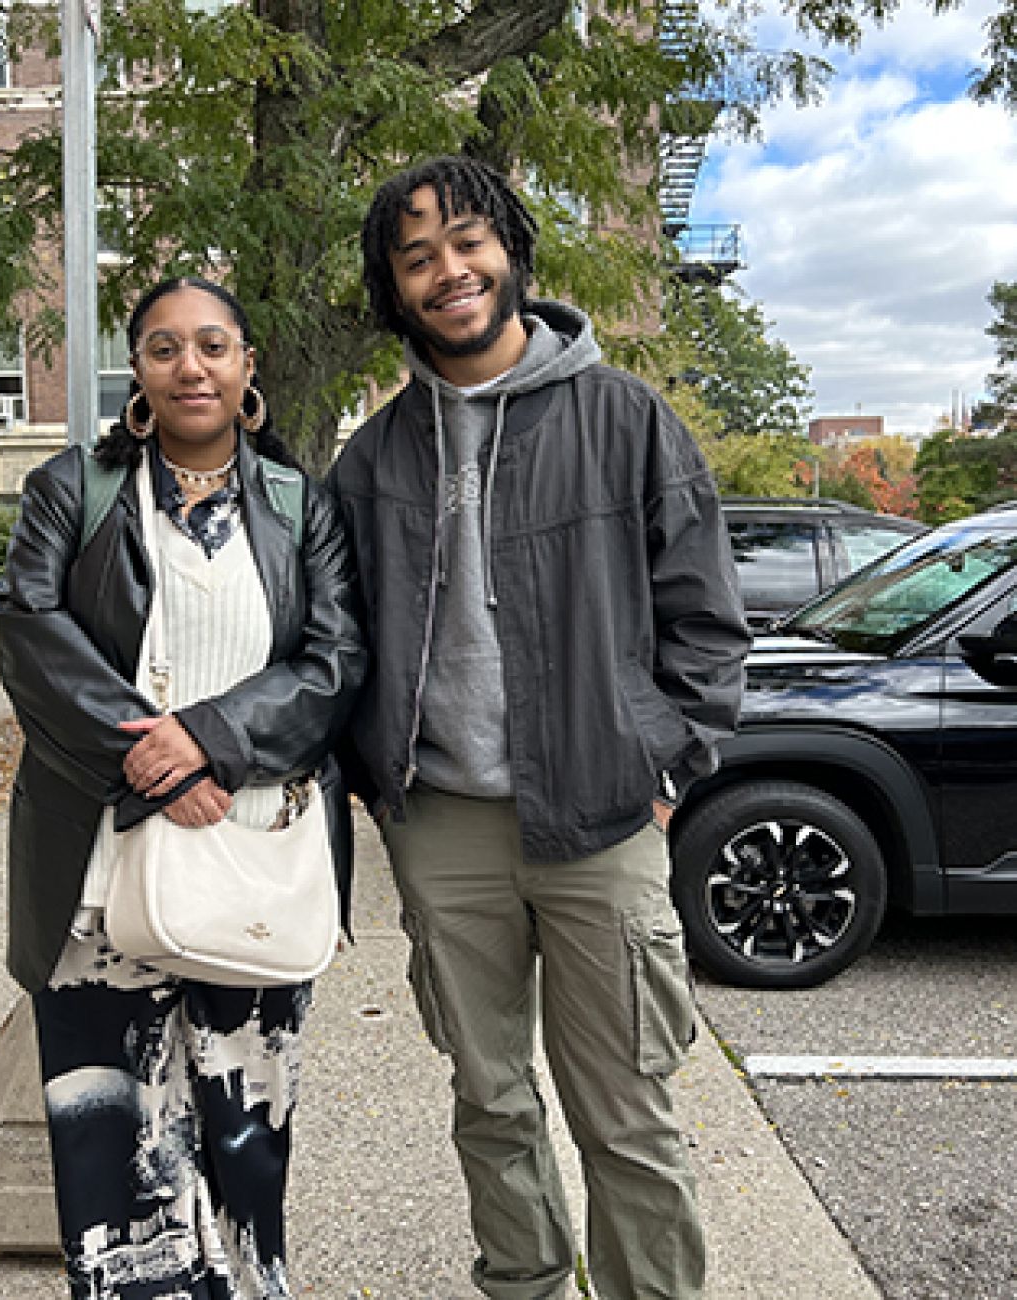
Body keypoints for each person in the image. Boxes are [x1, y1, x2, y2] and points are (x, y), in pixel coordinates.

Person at [326, 156, 751, 1300]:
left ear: (510, 248)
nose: (447, 271)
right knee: (491, 1100)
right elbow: (341, 645)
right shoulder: (371, 458)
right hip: (445, 825)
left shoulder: (624, 418)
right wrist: (379, 780)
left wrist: (665, 765)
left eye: (466, 241)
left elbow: (706, 623)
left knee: (626, 1110)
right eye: (416, 257)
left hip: (602, 816)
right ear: (394, 288)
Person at [0, 276, 366, 1300]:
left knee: (244, 1135)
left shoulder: (300, 506)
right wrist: (149, 765)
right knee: (109, 1145)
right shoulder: (73, 489)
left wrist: (211, 742)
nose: (189, 366)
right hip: (98, 869)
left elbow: (335, 663)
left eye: (212, 346)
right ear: (138, 374)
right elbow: (29, 630)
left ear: (247, 368)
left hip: (252, 856)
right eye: (163, 348)